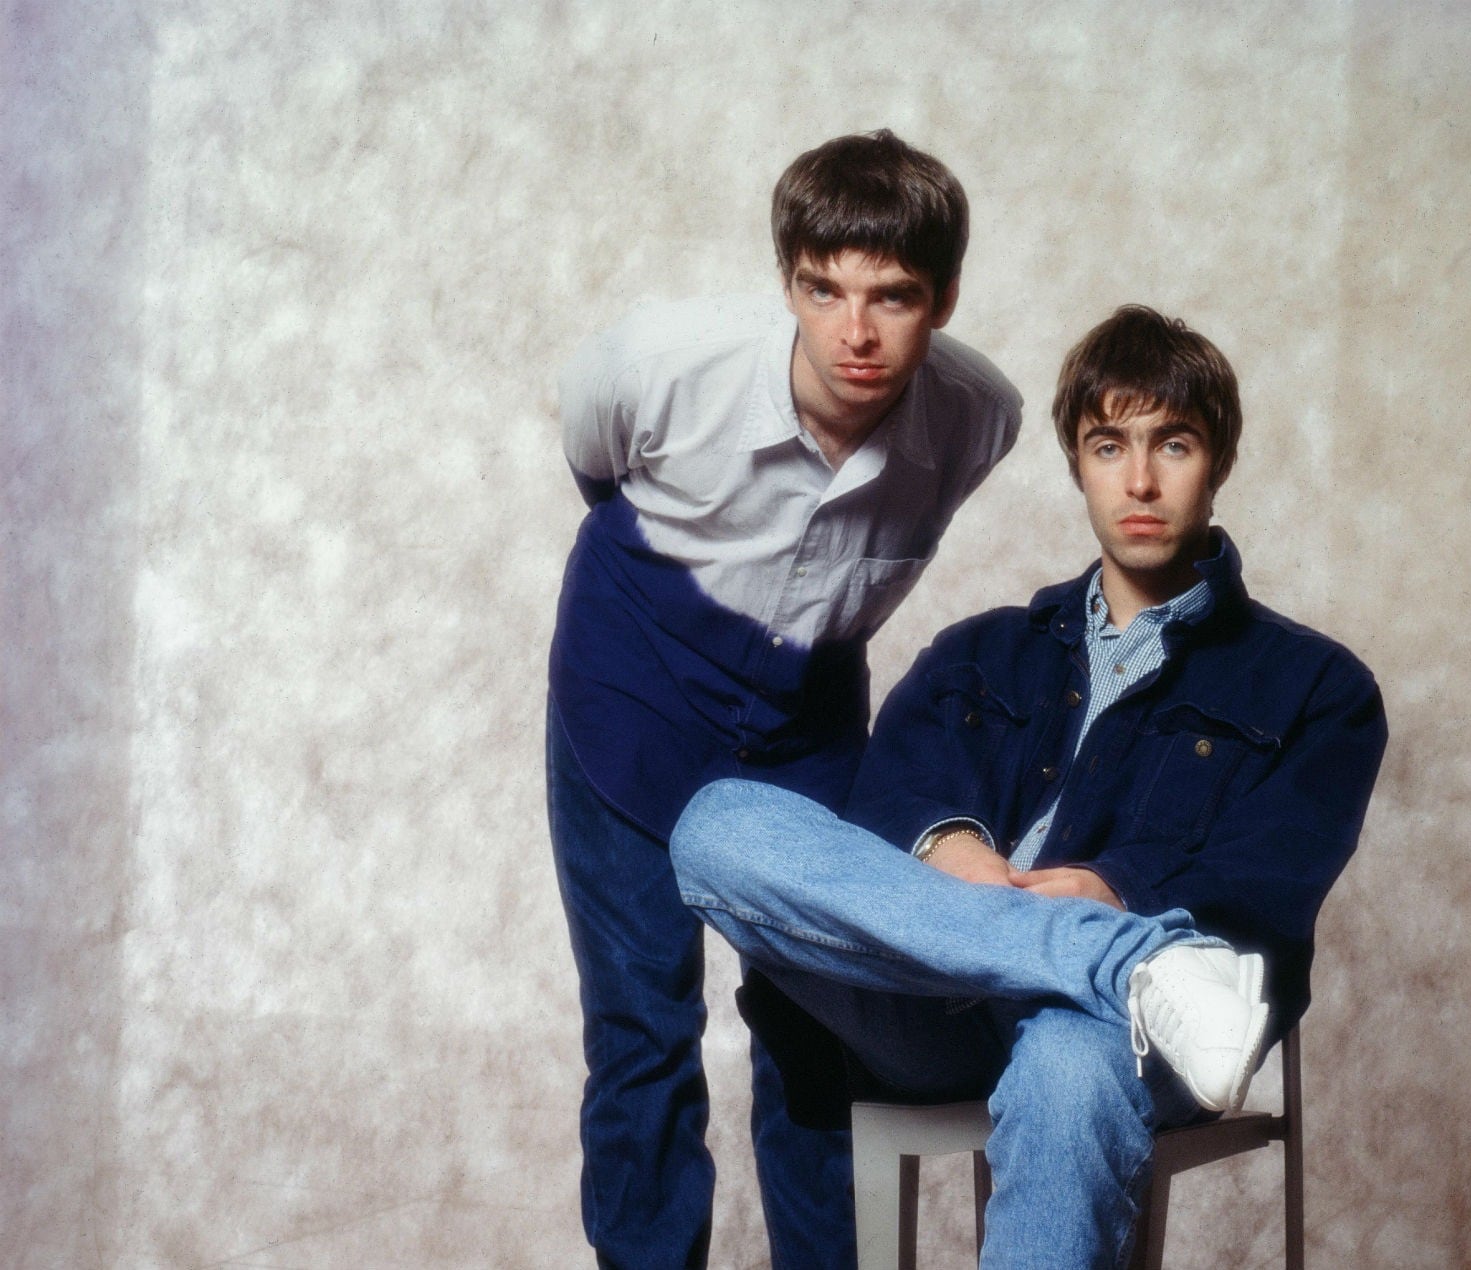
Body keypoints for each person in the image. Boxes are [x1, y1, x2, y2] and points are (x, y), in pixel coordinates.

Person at [670, 305, 1388, 1268]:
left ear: (1217, 463)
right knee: (717, 824)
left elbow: (1265, 889)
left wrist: (1112, 888)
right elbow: (883, 804)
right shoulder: (980, 652)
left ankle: (1116, 970)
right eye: (1108, 445)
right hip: (939, 993)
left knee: (1064, 1062)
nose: (1138, 480)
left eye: (1171, 444)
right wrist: (949, 849)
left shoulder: (1317, 688)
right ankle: (1118, 958)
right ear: (1075, 462)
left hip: (1122, 1035)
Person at [546, 130, 1021, 1268]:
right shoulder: (664, 362)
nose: (854, 330)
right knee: (643, 1033)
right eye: (823, 288)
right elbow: (592, 463)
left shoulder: (977, 417)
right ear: (788, 281)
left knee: (819, 1033)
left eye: (893, 295)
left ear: (944, 297)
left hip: (806, 719)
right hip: (633, 691)